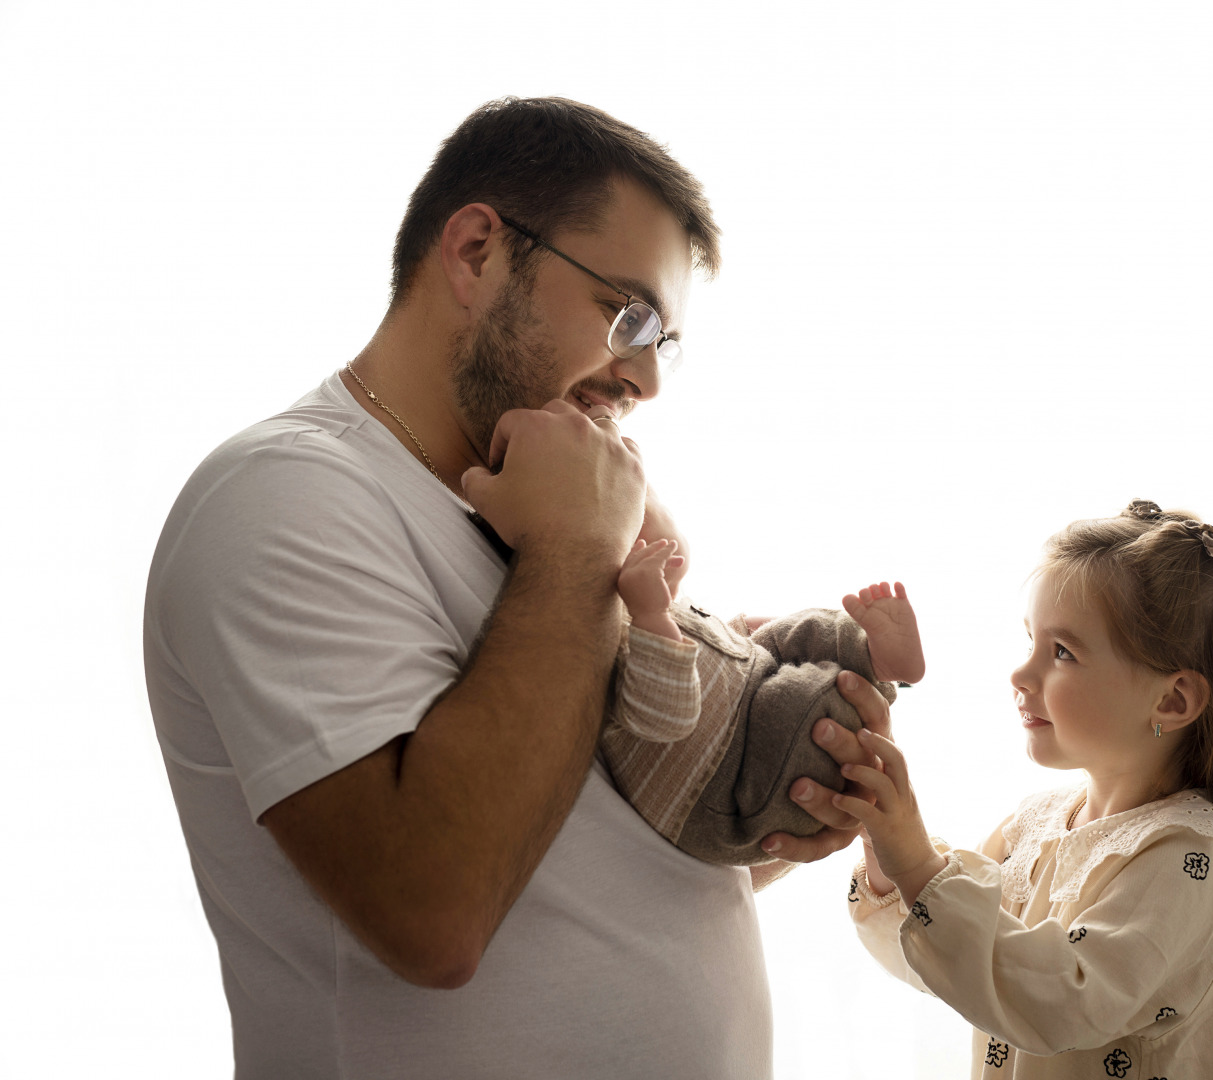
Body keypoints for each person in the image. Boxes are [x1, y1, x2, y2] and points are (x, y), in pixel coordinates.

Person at [142, 96, 877, 1080]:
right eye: (628, 315)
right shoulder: (285, 497)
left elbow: (582, 848)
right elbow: (431, 913)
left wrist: (765, 814)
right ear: (478, 249)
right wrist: (580, 551)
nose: (647, 382)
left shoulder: (541, 499)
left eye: (664, 341)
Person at [831, 501, 1213, 1078]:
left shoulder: (1197, 856)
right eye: (1030, 641)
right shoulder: (1035, 824)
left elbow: (1060, 1002)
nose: (1021, 675)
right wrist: (886, 857)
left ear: (1171, 701)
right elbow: (959, 964)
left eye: (1062, 652)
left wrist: (916, 860)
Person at [607, 490, 925, 863]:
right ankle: (864, 673)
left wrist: (759, 635)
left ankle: (878, 660)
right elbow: (666, 715)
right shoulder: (615, 632)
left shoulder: (677, 610)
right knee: (792, 693)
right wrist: (649, 614)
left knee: (798, 628)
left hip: (751, 722)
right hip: (723, 786)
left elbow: (733, 653)